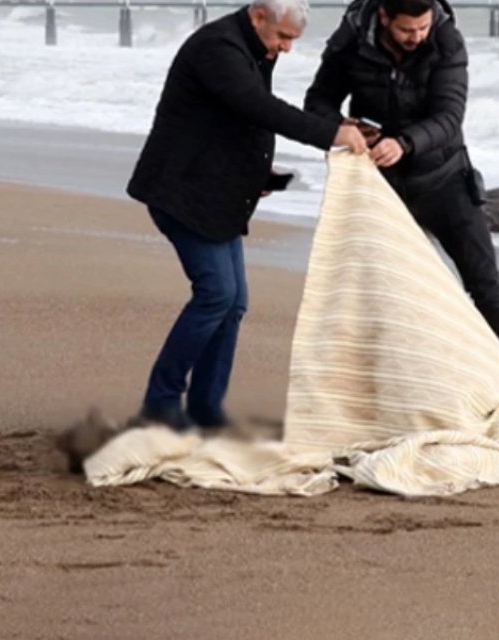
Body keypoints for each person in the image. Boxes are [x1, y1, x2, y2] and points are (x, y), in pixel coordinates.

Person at [126, 0, 368, 432]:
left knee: (233, 302)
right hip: (181, 190)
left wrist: (260, 171)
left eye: (293, 39)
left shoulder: (255, 48)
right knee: (217, 295)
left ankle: (205, 408)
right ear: (259, 16)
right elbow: (259, 107)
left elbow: (235, 120)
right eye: (283, 36)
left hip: (214, 190)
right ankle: (160, 405)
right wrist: (333, 133)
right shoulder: (218, 48)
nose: (287, 47)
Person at [303, 0, 499, 358]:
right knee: (382, 292)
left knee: (486, 286)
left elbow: (450, 116)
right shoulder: (351, 38)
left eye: (423, 27)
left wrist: (405, 143)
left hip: (444, 176)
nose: (417, 36)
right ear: (384, 16)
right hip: (378, 185)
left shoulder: (446, 40)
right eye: (406, 30)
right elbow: (318, 100)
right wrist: (340, 124)